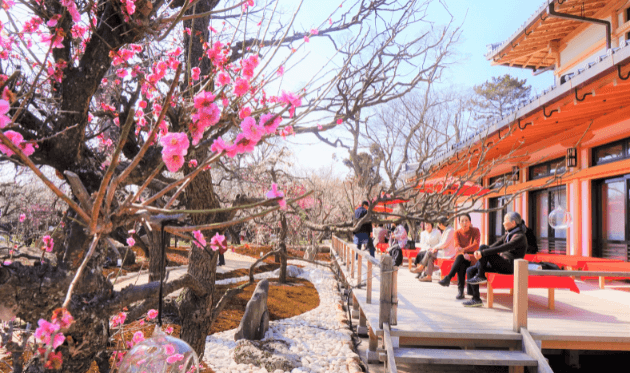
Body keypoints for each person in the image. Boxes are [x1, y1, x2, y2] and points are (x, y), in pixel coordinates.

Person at [463, 211, 528, 307]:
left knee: (484, 248)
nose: (502, 223)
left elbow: (503, 248)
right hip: (501, 263)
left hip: (509, 267)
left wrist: (483, 252)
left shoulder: (520, 237)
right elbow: (495, 245)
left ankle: (481, 276)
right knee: (471, 269)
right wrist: (480, 252)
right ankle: (476, 299)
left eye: (505, 220)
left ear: (513, 222)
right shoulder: (508, 234)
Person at [437, 214, 480, 299]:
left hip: (472, 257)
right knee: (461, 261)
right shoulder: (457, 232)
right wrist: (463, 252)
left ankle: (450, 280)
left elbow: (476, 246)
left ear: (470, 222)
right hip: (462, 257)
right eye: (462, 221)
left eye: (466, 220)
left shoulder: (475, 230)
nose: (464, 223)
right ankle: (460, 291)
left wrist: (463, 250)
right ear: (459, 223)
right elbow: (457, 246)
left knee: (460, 259)